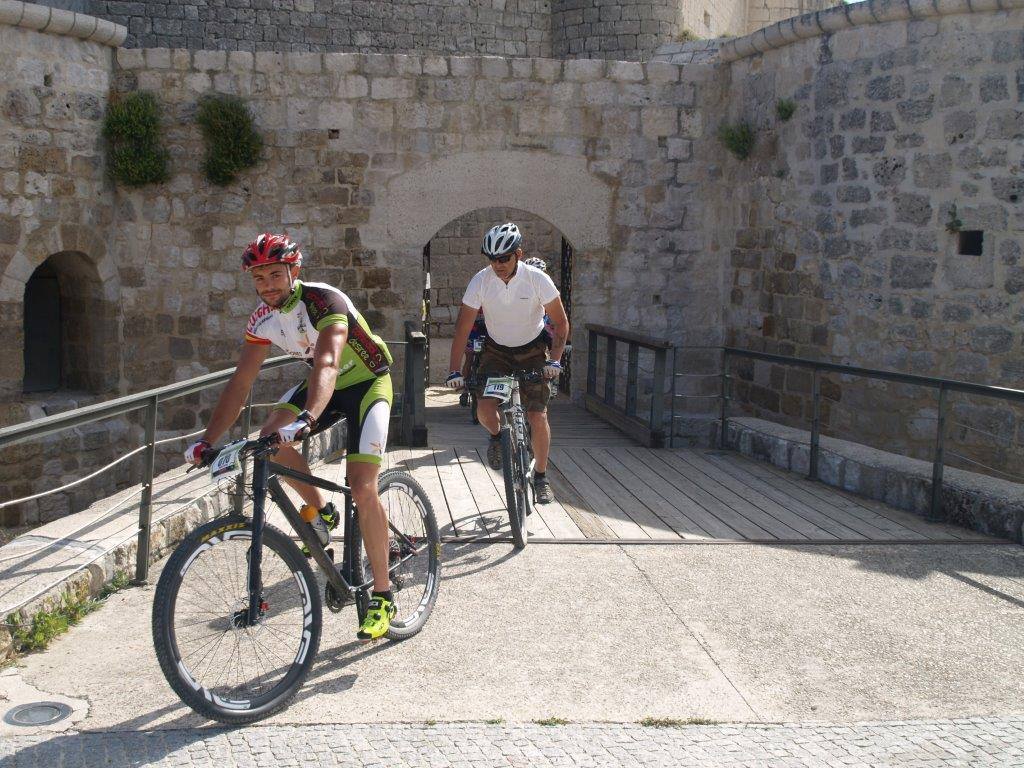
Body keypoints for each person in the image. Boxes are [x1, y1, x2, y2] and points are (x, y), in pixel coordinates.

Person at [183, 233, 397, 641]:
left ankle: (383, 595)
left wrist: (308, 417)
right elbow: (241, 381)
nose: (268, 286)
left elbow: (330, 359)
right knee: (269, 440)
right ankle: (321, 513)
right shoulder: (260, 320)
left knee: (362, 486)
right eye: (259, 278)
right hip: (321, 383)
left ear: (293, 271)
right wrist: (207, 440)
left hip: (366, 383)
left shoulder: (323, 302)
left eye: (275, 275)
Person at [444, 223, 569, 505]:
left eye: (503, 258)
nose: (497, 265)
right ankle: (498, 437)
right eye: (492, 259)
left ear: (518, 255)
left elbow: (560, 324)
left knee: (537, 415)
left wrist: (556, 360)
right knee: (485, 409)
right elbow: (462, 328)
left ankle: (540, 476)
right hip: (496, 351)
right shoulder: (480, 281)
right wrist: (454, 370)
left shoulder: (538, 279)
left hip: (533, 350)